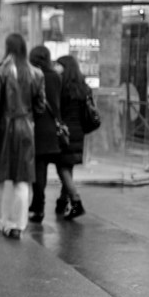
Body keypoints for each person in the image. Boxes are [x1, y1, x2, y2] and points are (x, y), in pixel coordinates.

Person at [0, 33, 45, 239]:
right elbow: (41, 106)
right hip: (26, 127)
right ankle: (17, 223)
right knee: (22, 177)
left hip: (2, 129)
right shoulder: (36, 73)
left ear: (7, 48)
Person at [28, 46, 63, 223]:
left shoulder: (33, 76)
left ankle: (38, 207)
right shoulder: (56, 76)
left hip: (38, 127)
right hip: (53, 127)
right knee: (58, 167)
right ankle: (63, 200)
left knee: (39, 171)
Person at [54, 55, 90, 220]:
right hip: (79, 131)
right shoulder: (83, 87)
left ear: (65, 67)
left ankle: (76, 201)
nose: (56, 67)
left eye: (59, 65)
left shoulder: (63, 87)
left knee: (62, 166)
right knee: (68, 167)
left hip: (66, 131)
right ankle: (62, 201)